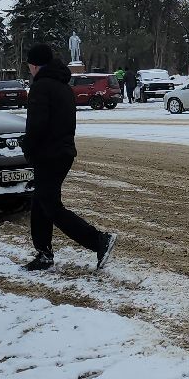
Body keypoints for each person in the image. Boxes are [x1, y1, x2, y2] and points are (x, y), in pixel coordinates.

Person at [20, 42, 115, 272]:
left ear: (34, 65)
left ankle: (98, 240)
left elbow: (36, 125)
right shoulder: (63, 86)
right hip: (62, 152)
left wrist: (28, 148)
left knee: (51, 206)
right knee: (41, 202)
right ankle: (43, 253)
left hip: (48, 154)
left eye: (30, 66)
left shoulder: (41, 87)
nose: (30, 70)